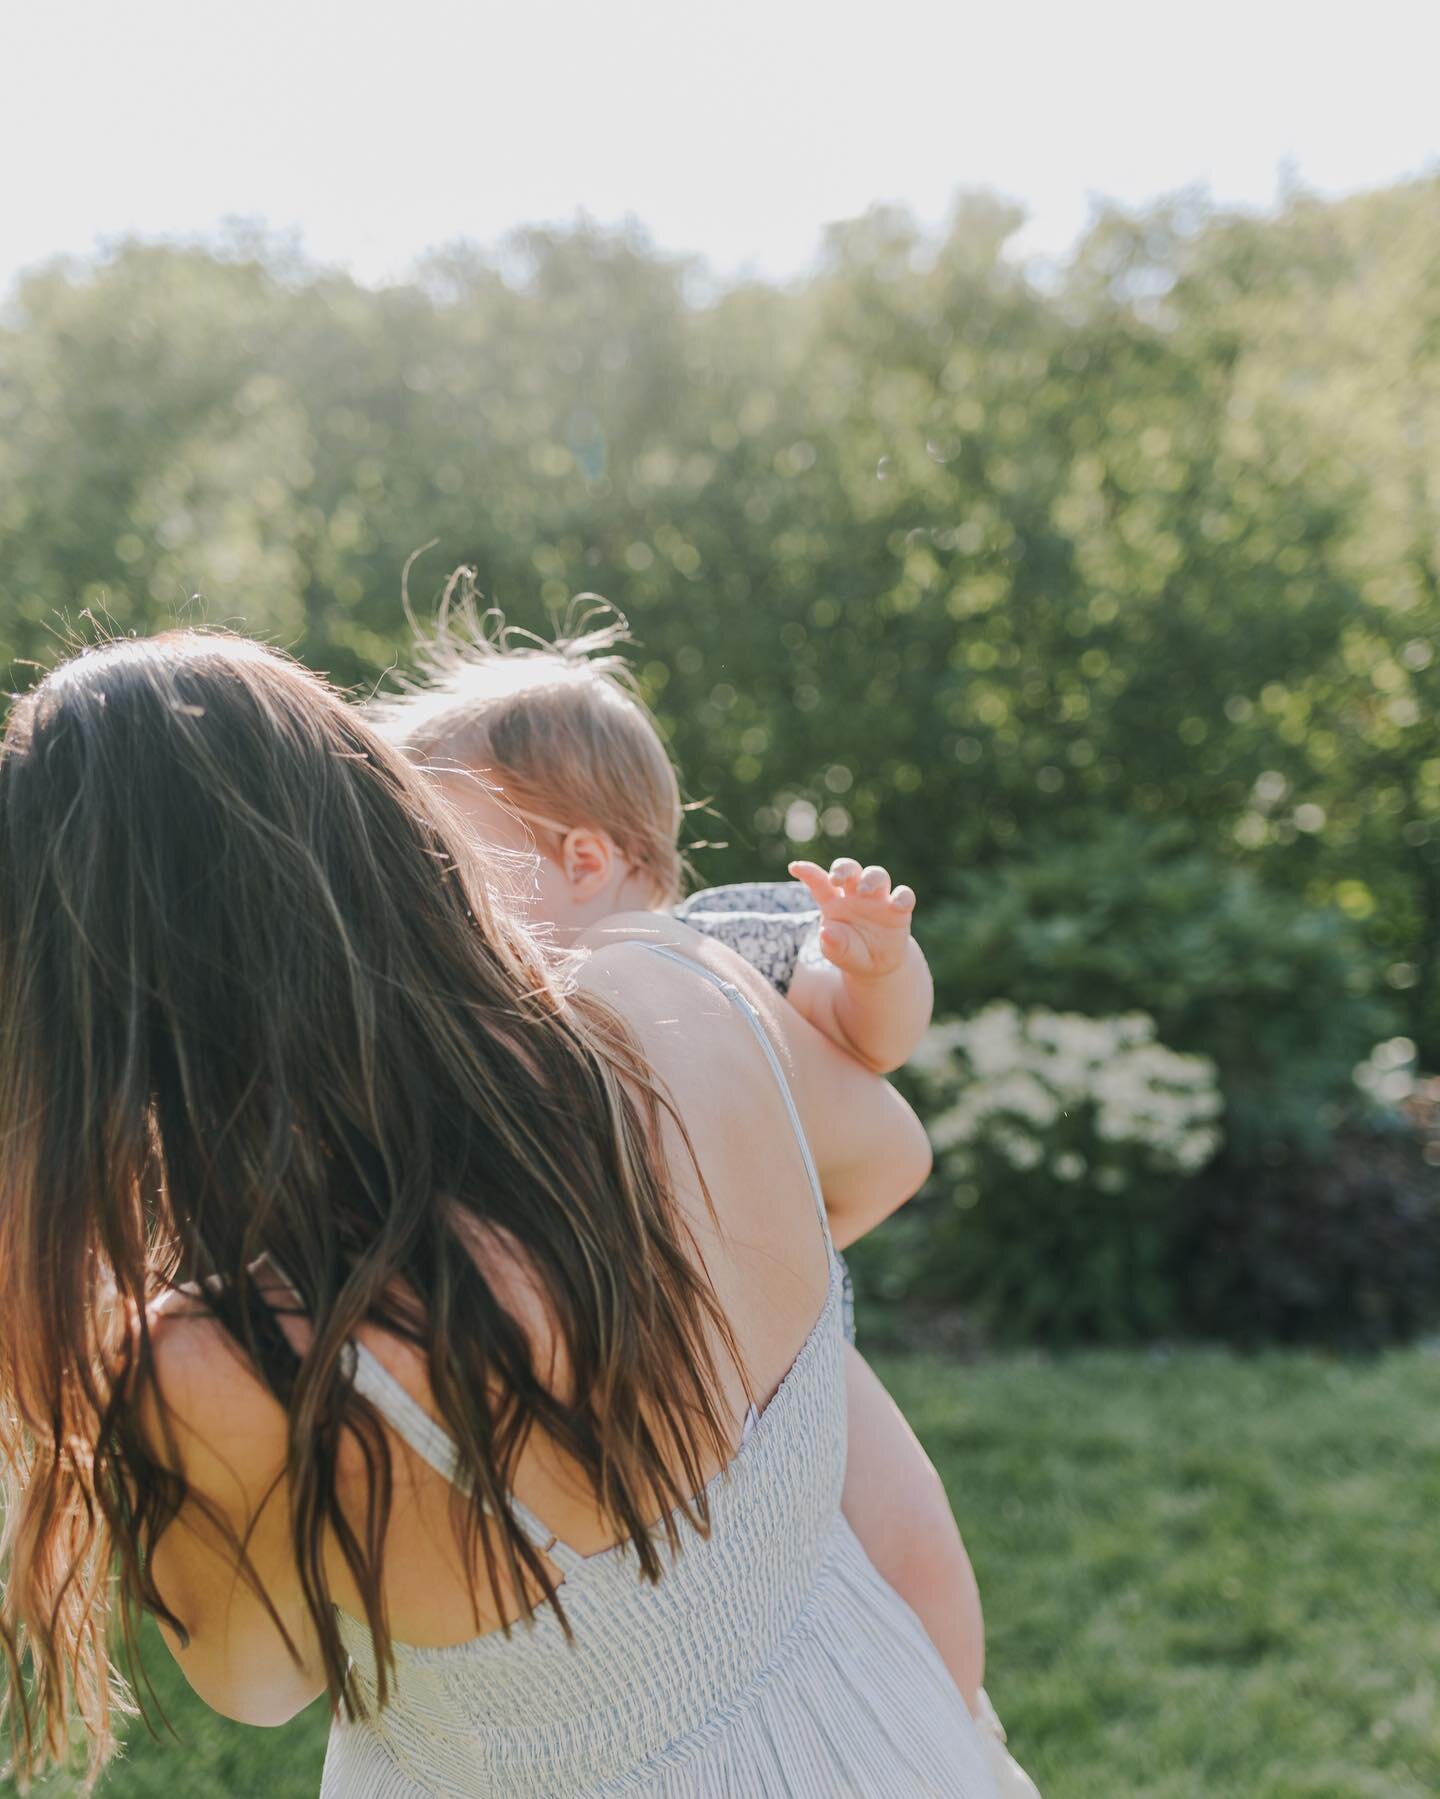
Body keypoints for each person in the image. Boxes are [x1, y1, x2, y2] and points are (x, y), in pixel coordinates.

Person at [0, 629, 999, 1796]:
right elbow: (892, 1149)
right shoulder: (680, 986)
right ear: (384, 819)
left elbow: (259, 1679)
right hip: (877, 1732)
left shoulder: (229, 1356)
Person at [368, 596, 1037, 1795]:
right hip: (657, 1333)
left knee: (905, 1525)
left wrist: (880, 961)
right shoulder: (490, 1022)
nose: (431, 895)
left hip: (785, 1322)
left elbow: (861, 1038)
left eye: (451, 859)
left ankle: (949, 1723)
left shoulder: (716, 944)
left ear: (581, 859)